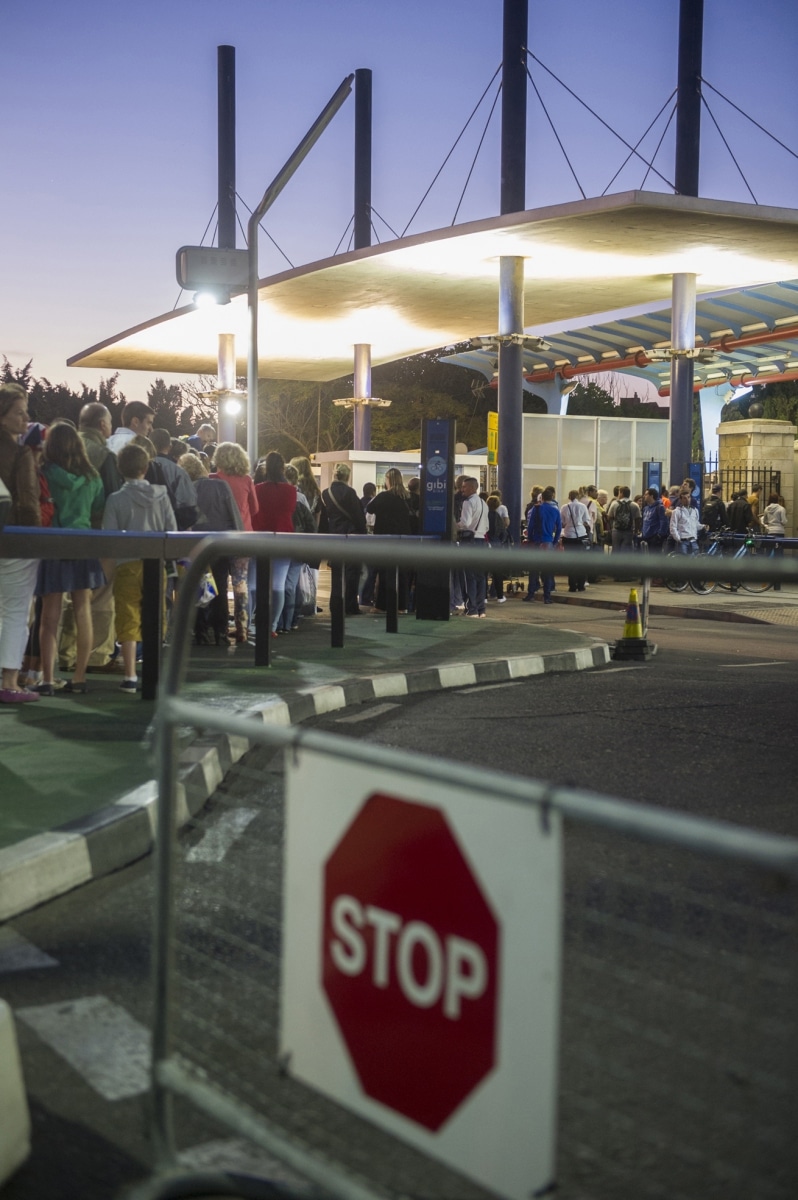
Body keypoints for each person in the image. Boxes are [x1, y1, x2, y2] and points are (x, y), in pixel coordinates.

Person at [35, 421, 106, 695]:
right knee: (82, 611)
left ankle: (47, 678)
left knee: (49, 616)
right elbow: (98, 508)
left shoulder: (44, 472)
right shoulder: (92, 477)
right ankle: (79, 678)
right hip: (83, 544)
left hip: (52, 544)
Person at [102, 443, 176, 693]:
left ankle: (130, 675)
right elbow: (172, 530)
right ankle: (156, 672)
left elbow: (109, 538)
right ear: (146, 468)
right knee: (156, 615)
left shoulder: (115, 499)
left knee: (128, 617)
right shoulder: (162, 496)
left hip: (127, 564)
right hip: (157, 564)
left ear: (120, 468)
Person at [0, 384, 42, 703]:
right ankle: (10, 681)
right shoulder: (20, 453)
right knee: (15, 611)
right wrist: (34, 538)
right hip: (16, 539)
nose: (26, 419)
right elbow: (28, 501)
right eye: (19, 413)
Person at [178, 452, 243, 645]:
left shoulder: (188, 489)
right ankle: (220, 631)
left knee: (201, 587)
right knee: (220, 586)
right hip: (221, 544)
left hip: (196, 545)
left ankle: (201, 631)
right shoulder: (221, 486)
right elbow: (234, 514)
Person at [211, 442, 258, 643]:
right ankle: (242, 629)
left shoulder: (213, 479)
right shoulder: (247, 480)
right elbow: (255, 509)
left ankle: (220, 627)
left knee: (219, 582)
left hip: (220, 537)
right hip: (243, 537)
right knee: (240, 583)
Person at [252, 451, 296, 637]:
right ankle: (273, 625)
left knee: (254, 583)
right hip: (284, 537)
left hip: (259, 538)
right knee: (278, 585)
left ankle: (252, 621)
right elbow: (290, 511)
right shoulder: (291, 490)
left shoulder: (258, 489)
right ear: (282, 468)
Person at [322, 463, 367, 615]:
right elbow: (358, 517)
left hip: (335, 536)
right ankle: (350, 605)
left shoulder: (326, 493)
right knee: (352, 573)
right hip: (351, 536)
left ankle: (335, 604)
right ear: (347, 476)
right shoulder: (350, 492)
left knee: (337, 572)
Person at [367, 468, 412, 613]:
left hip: (384, 539)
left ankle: (382, 605)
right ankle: (402, 606)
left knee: (384, 572)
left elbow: (369, 508)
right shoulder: (407, 497)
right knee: (402, 573)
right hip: (404, 539)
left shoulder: (383, 496)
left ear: (388, 480)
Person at [148, 427, 198, 529]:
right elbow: (188, 505)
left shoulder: (141, 467)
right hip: (171, 529)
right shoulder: (178, 471)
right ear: (169, 446)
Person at [456, 476, 490, 617]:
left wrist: (455, 525)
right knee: (480, 577)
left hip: (469, 541)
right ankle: (481, 609)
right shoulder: (484, 503)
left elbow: (465, 522)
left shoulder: (468, 502)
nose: (462, 489)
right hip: (481, 541)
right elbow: (487, 526)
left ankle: (471, 609)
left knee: (468, 576)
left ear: (471, 488)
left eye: (464, 487)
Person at [526, 485, 561, 604]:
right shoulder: (555, 510)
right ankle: (547, 596)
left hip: (537, 541)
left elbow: (531, 526)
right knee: (547, 571)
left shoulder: (536, 509)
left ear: (542, 498)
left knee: (534, 569)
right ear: (552, 497)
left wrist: (530, 538)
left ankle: (531, 594)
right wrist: (554, 541)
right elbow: (559, 528)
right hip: (548, 542)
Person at [560, 488, 591, 592]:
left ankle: (572, 586)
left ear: (569, 497)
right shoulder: (582, 506)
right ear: (578, 496)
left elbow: (562, 522)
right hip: (580, 535)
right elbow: (586, 520)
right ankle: (581, 585)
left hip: (568, 535)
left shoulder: (564, 507)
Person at [670, 486, 704, 553]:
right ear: (681, 500)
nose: (687, 500)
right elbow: (673, 527)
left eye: (688, 497)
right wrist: (678, 539)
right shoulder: (677, 512)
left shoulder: (695, 510)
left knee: (695, 557)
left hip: (693, 540)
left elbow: (696, 524)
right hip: (683, 541)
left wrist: (703, 526)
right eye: (684, 498)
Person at [608, 486, 641, 553]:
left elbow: (609, 517)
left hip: (616, 531)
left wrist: (611, 528)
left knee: (615, 550)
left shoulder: (614, 504)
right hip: (628, 531)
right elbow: (638, 519)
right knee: (626, 551)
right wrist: (636, 531)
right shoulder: (634, 505)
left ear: (621, 493)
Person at [640, 487, 670, 551]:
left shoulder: (660, 507)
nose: (644, 496)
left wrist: (660, 535)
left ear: (651, 496)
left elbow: (664, 522)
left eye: (646, 494)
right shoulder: (646, 508)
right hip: (646, 536)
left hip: (655, 537)